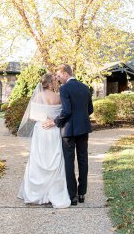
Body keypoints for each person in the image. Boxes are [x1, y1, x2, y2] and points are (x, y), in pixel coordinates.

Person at [17, 73, 70, 208]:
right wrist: (52, 120)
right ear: (51, 83)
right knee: (54, 158)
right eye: (55, 81)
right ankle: (54, 192)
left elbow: (33, 117)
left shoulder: (37, 97)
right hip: (52, 131)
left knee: (38, 158)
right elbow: (62, 114)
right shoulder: (58, 97)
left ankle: (36, 193)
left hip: (41, 130)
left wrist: (43, 118)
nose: (57, 82)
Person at [43, 64, 94, 206]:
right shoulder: (85, 87)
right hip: (83, 129)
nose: (58, 79)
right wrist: (81, 119)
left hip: (68, 131)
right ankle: (82, 193)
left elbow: (66, 111)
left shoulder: (64, 88)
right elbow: (90, 109)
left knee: (69, 162)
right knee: (83, 160)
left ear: (66, 74)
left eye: (59, 76)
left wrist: (55, 122)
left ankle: (72, 196)